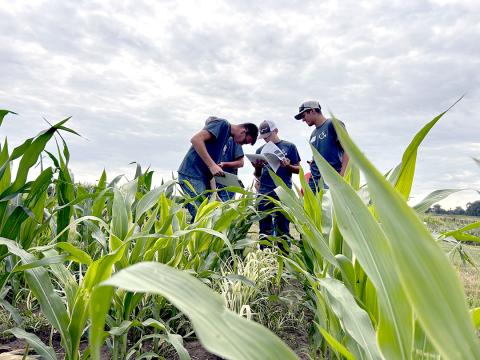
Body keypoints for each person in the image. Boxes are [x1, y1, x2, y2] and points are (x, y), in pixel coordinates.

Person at [178, 116, 258, 220]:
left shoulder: (225, 138)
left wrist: (214, 193)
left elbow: (213, 169)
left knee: (205, 215)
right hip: (192, 174)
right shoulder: (222, 124)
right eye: (245, 142)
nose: (242, 144)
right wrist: (212, 165)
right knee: (200, 215)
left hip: (201, 177)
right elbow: (196, 139)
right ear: (244, 131)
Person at [252, 120, 300, 240]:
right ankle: (265, 255)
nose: (266, 140)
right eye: (263, 137)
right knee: (264, 228)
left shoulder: (289, 147)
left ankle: (284, 256)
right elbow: (257, 175)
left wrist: (288, 166)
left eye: (268, 136)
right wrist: (257, 168)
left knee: (283, 228)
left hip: (283, 191)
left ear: (276, 131)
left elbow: (299, 169)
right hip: (264, 192)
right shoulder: (260, 150)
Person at [294, 100, 349, 193]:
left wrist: (342, 175)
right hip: (314, 181)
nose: (303, 120)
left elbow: (348, 150)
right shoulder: (313, 134)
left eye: (303, 116)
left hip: (331, 179)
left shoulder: (333, 124)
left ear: (312, 111)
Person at [217, 137, 244, 201]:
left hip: (229, 182)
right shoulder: (210, 139)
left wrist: (224, 164)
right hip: (212, 181)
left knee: (226, 207)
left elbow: (241, 163)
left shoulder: (234, 140)